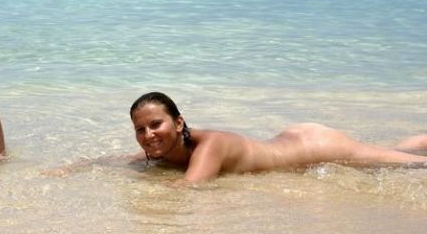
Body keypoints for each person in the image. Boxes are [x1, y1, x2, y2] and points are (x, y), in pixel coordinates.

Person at [130, 92, 427, 184]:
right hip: (293, 139)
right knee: (385, 153)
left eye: (155, 124)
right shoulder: (166, 150)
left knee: (411, 165)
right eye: (140, 130)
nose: (148, 135)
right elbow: (125, 160)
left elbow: (188, 188)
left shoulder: (211, 145)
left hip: (314, 147)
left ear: (178, 122)